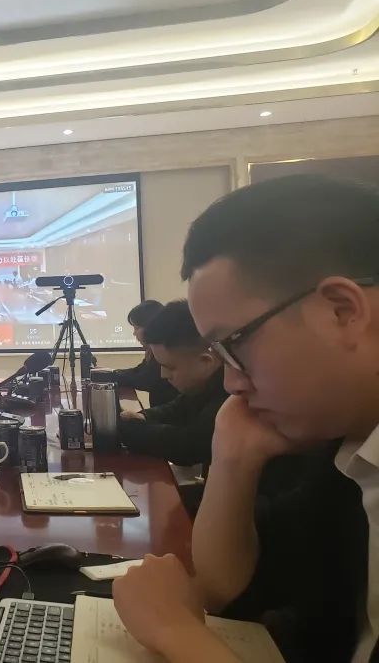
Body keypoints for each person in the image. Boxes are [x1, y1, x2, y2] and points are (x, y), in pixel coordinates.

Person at [113, 175, 379, 663]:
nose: (231, 383)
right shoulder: (347, 453)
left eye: (233, 345)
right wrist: (233, 458)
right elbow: (223, 589)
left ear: (343, 311)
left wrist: (177, 634)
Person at [117, 300, 226, 469]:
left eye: (170, 367)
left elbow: (190, 445)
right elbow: (179, 407)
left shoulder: (229, 394)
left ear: (206, 362)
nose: (163, 375)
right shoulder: (205, 385)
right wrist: (145, 416)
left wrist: (129, 431)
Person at [112, 300, 178, 407]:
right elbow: (139, 371)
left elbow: (144, 379)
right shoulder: (152, 350)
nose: (134, 333)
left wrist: (110, 376)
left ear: (151, 326)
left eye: (137, 328)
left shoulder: (165, 350)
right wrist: (111, 373)